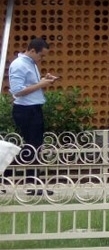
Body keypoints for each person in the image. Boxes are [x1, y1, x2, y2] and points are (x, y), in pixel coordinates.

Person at [8, 37, 57, 185]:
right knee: (31, 148)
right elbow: (17, 91)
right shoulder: (18, 65)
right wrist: (41, 84)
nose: (41, 59)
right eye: (41, 55)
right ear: (32, 50)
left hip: (34, 108)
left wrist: (44, 80)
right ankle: (29, 181)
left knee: (35, 147)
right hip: (25, 110)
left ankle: (33, 183)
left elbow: (30, 86)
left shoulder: (31, 63)